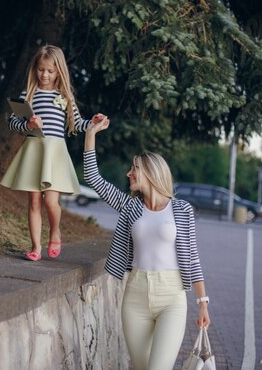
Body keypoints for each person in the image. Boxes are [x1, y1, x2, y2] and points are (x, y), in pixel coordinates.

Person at [83, 116, 210, 370]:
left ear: (151, 173)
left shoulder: (182, 210)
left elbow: (193, 258)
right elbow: (92, 177)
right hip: (136, 296)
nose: (129, 173)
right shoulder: (130, 206)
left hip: (172, 297)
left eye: (134, 169)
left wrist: (202, 303)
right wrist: (90, 133)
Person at [1, 45, 103, 261]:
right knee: (35, 202)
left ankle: (55, 230)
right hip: (34, 150)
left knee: (50, 202)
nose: (44, 75)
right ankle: (36, 247)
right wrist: (28, 125)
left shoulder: (65, 97)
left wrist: (92, 122)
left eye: (50, 71)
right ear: (34, 69)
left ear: (59, 72)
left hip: (55, 153)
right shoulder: (27, 94)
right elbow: (13, 123)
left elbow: (76, 124)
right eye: (40, 69)